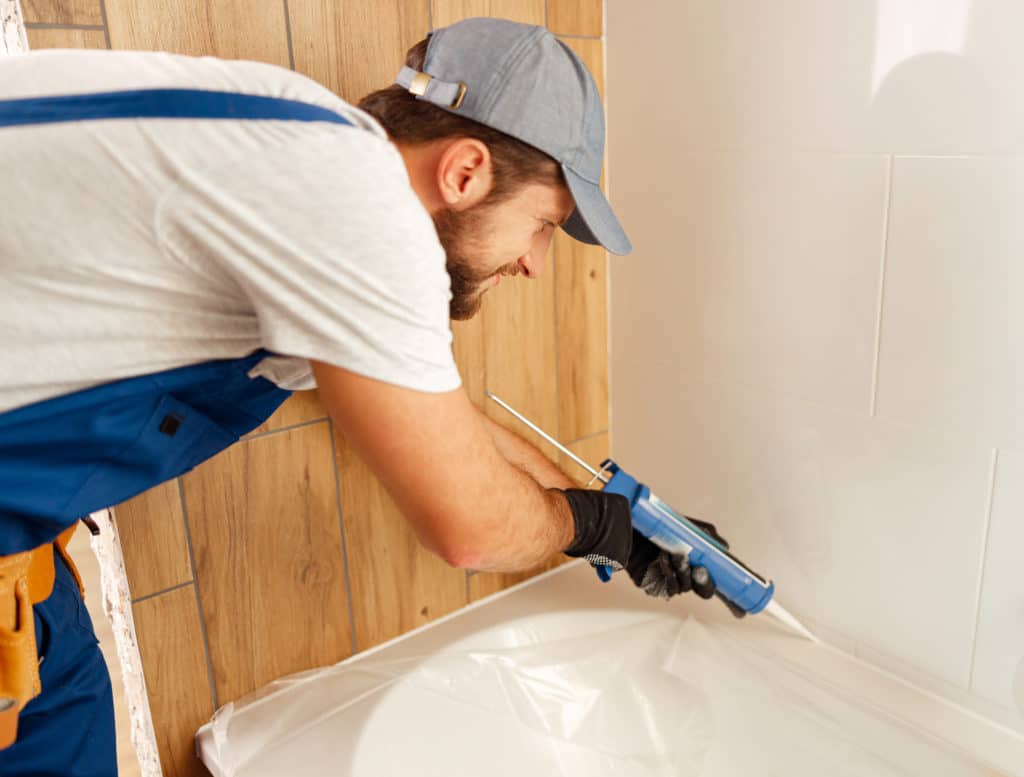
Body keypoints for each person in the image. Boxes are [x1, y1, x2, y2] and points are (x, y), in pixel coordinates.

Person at [0, 17, 723, 775]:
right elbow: (468, 526)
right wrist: (593, 525)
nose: (536, 264)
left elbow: (446, 432)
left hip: (24, 552)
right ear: (466, 172)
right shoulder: (361, 209)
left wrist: (627, 521)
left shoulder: (313, 165)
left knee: (69, 698)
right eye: (542, 224)